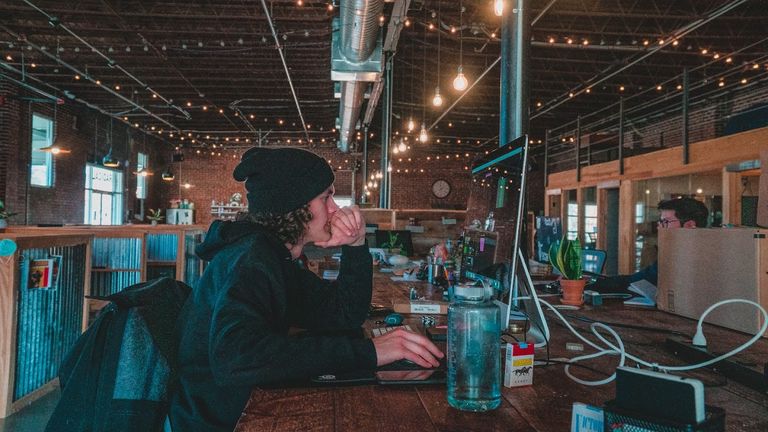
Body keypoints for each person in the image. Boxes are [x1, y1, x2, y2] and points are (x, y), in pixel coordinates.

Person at [169, 147, 443, 432]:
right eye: (326, 197)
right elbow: (236, 359)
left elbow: (343, 314)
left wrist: (355, 245)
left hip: (240, 407)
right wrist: (369, 352)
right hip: (214, 421)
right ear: (296, 207)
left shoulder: (274, 258)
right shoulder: (251, 261)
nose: (335, 209)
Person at [589, 197, 708, 293]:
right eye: (660, 222)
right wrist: (590, 283)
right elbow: (636, 280)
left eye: (665, 222)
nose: (659, 227)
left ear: (690, 225)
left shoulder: (704, 258)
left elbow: (633, 281)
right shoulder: (675, 254)